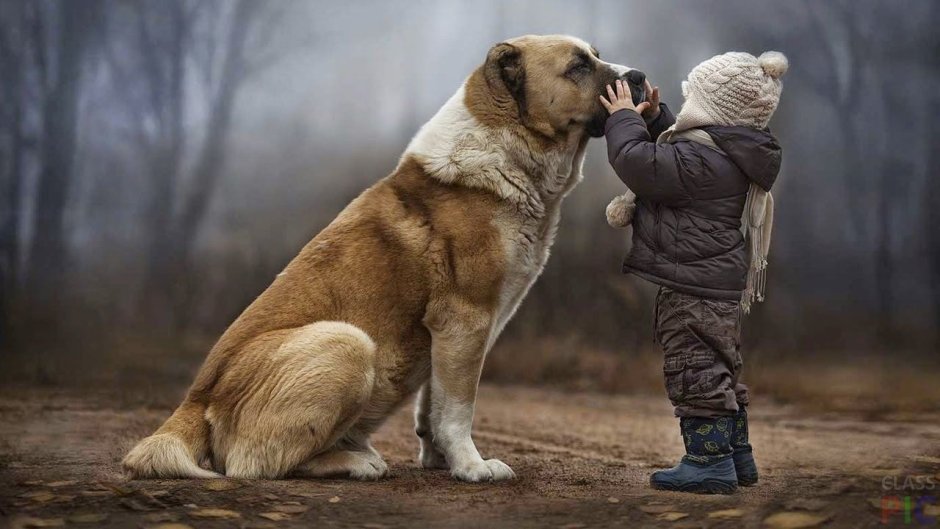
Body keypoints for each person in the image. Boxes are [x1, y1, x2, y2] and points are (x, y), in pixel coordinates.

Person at [599, 51, 788, 494]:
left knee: (694, 370)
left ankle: (708, 463)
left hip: (693, 287)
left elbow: (636, 161)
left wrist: (623, 119)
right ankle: (737, 457)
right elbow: (675, 152)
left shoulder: (701, 163)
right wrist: (654, 118)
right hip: (715, 284)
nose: (685, 110)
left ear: (713, 110)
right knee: (719, 368)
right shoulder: (725, 154)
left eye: (692, 100)